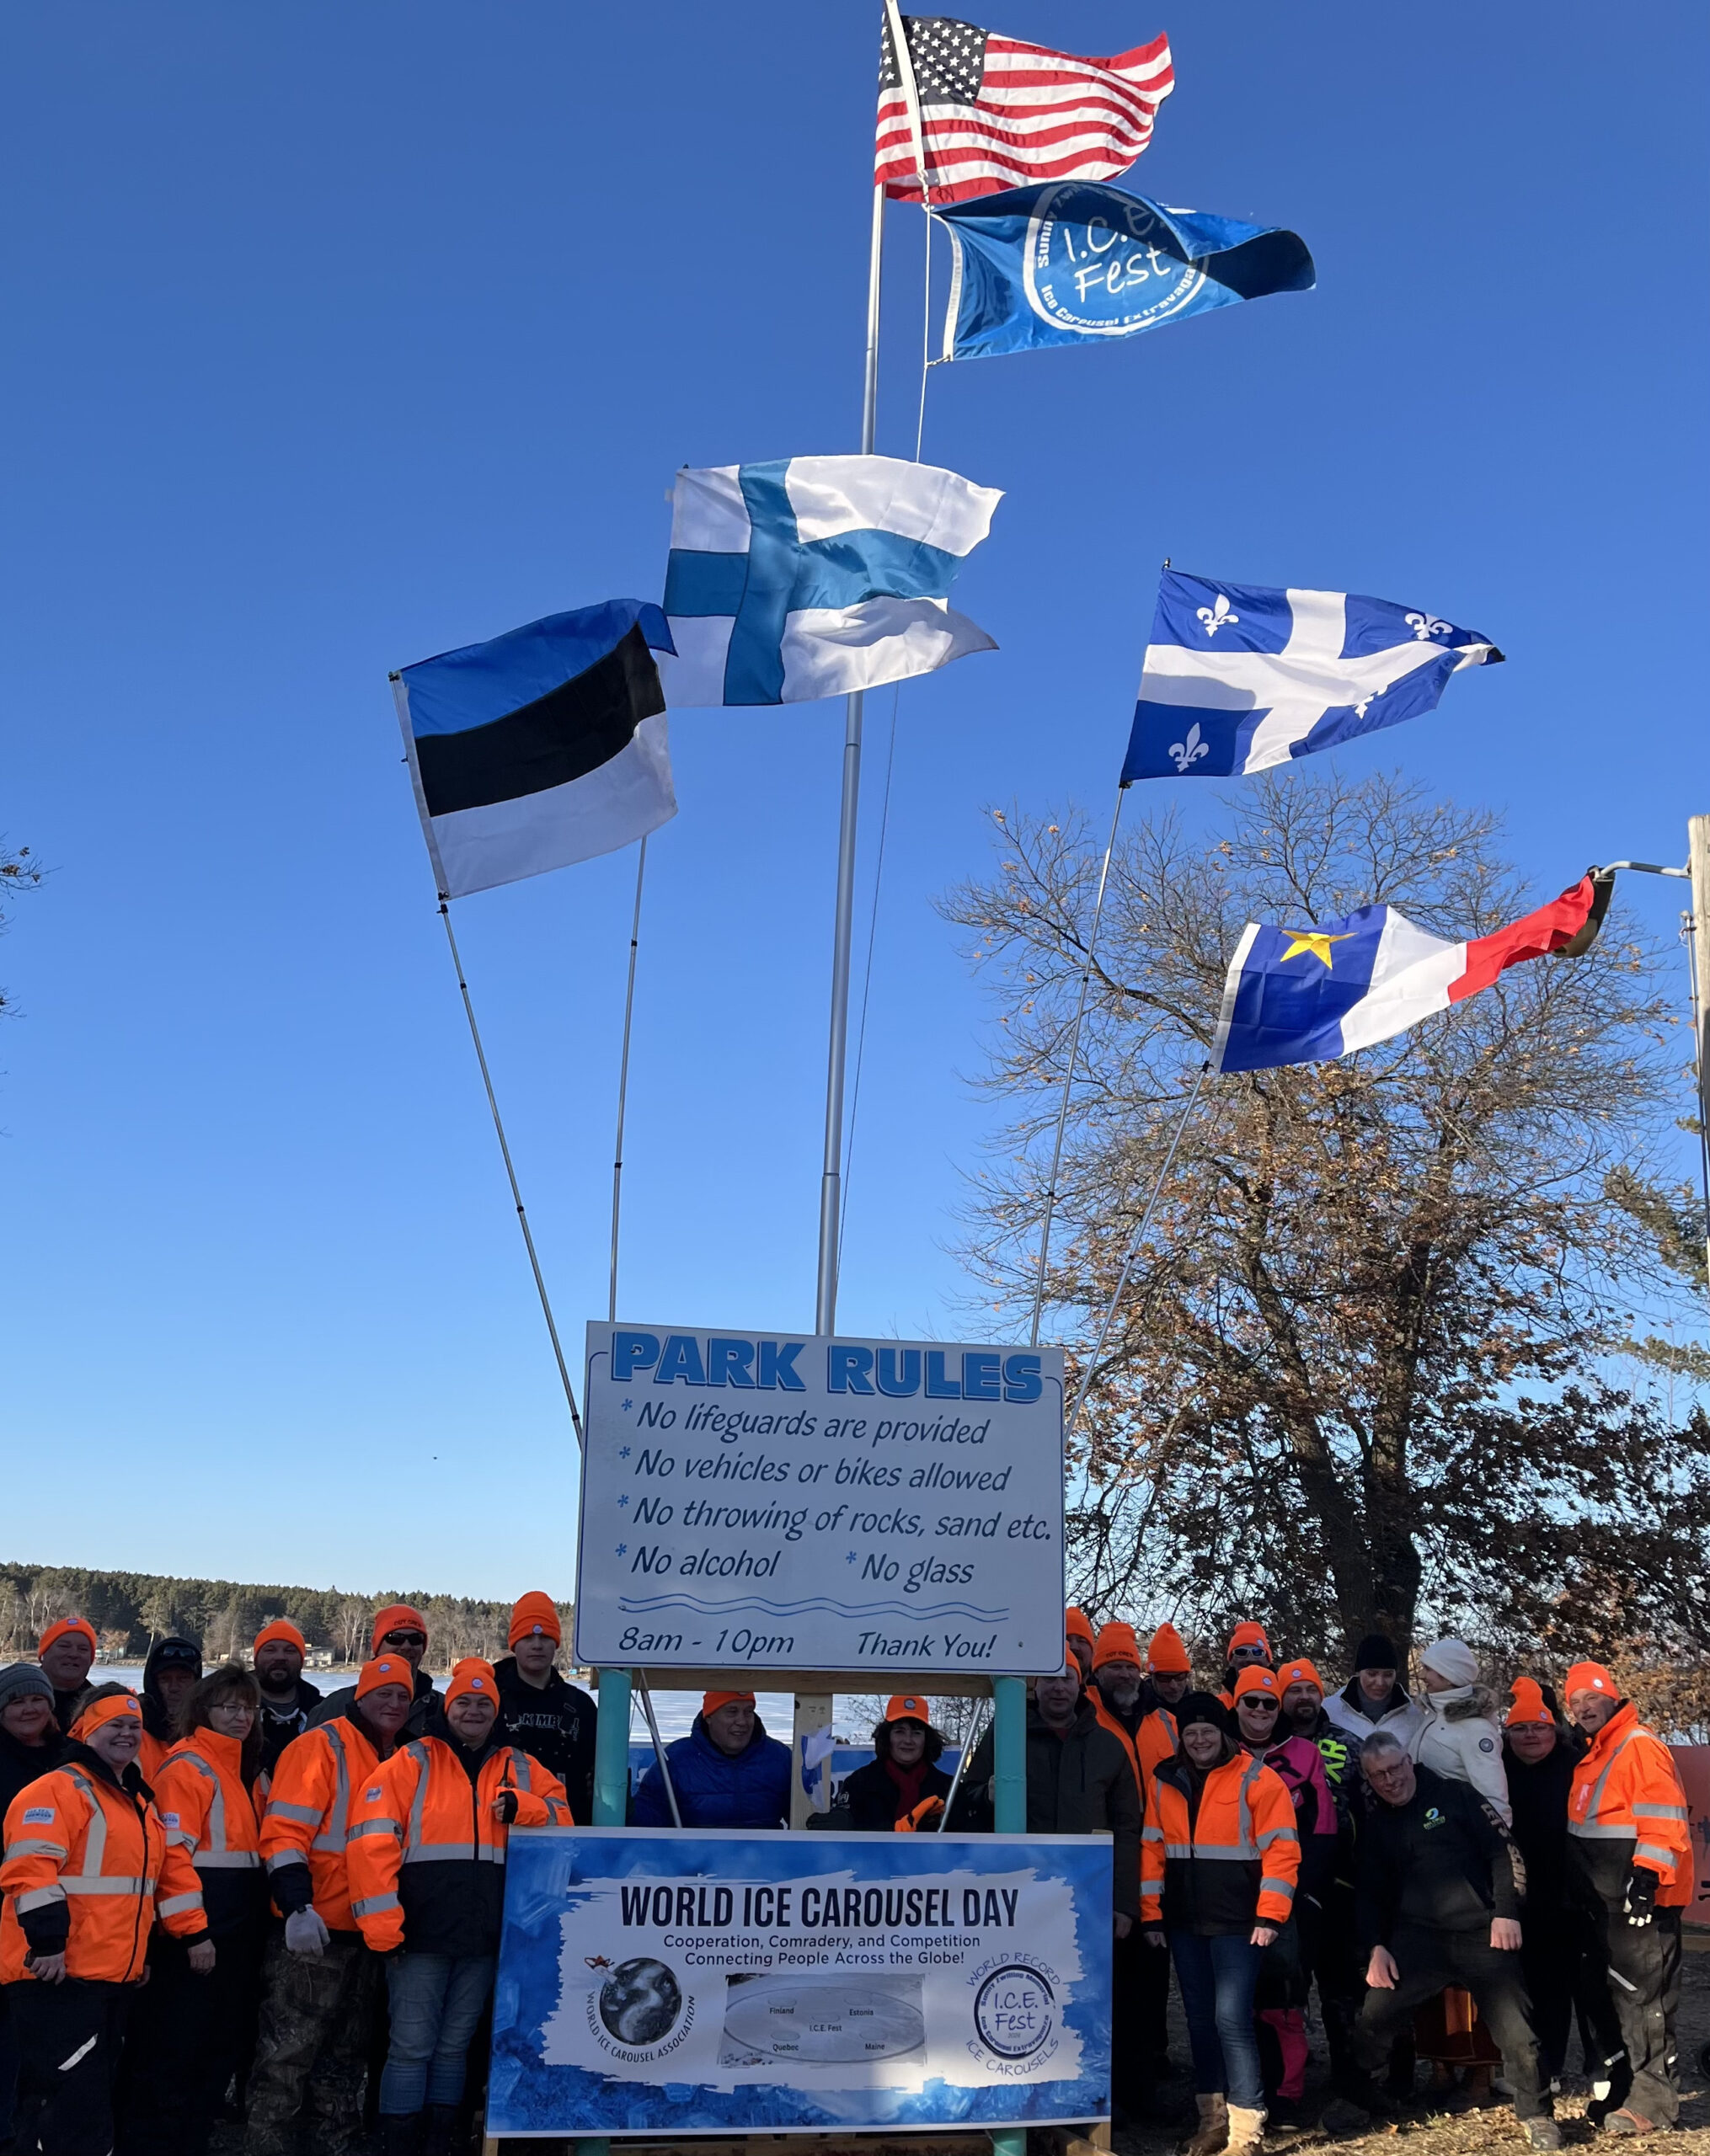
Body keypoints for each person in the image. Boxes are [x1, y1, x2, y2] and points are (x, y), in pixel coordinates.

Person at [347, 1658, 569, 2154]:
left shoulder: (521, 1766)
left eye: (483, 1703)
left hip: (486, 1937)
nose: (473, 1711)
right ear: (448, 1709)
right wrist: (382, 1927)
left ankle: (440, 2143)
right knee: (409, 2049)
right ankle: (397, 2143)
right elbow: (370, 1843)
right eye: (463, 1703)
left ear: (497, 1711)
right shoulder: (411, 1762)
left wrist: (524, 1807)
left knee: (454, 2049)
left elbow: (563, 1817)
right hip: (418, 1937)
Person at [1, 1688, 207, 2156]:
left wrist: (148, 1954)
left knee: (83, 2102)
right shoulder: (58, 1790)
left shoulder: (136, 1803)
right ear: (86, 1731)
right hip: (59, 1977)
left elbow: (144, 1890)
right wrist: (49, 1943)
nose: (128, 1734)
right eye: (114, 1725)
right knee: (68, 2107)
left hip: (110, 1978)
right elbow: (30, 1868)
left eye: (134, 1726)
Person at [1343, 1731, 1557, 2149]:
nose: (1389, 1780)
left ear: (1409, 1761)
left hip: (1481, 1931)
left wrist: (1506, 1914)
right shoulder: (1376, 1822)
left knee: (1518, 2030)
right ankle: (1359, 2097)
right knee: (1374, 2015)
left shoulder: (1456, 1795)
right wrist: (1375, 1947)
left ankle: (1537, 2114)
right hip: (1418, 1938)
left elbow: (1504, 1853)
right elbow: (1368, 1892)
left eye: (1394, 1769)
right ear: (1368, 1779)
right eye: (1377, 1775)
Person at [247, 1655, 417, 2156]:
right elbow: (282, 1836)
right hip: (314, 1934)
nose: (392, 1704)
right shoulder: (321, 1747)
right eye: (382, 1694)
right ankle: (265, 2148)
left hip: (368, 1935)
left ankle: (334, 2148)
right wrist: (297, 1907)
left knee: (346, 2063)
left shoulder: (402, 1758)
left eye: (402, 1696)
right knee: (285, 2058)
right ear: (359, 1696)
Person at [116, 1664, 270, 2156]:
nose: (241, 1717)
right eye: (229, 1707)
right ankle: (151, 2143)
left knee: (217, 2045)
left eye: (248, 1708)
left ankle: (190, 2138)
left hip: (235, 1933)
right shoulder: (189, 1768)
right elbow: (170, 1858)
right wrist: (190, 1935)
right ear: (203, 1711)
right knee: (173, 2049)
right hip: (198, 1938)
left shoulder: (244, 1771)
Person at [1141, 1691, 1299, 2156]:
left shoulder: (1258, 1779)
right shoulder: (1164, 1781)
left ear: (1223, 1733)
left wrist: (1270, 1914)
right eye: (1191, 1733)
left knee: (1231, 2020)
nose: (1200, 1740)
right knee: (1200, 2021)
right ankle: (1212, 2120)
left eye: (1208, 1731)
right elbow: (1150, 1852)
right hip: (1186, 1923)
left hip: (1239, 1923)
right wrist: (1151, 1914)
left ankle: (1246, 2130)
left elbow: (1283, 1852)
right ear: (1181, 1738)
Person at [1564, 1659, 1691, 2137]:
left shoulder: (1638, 1746)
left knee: (1645, 1998)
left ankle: (1653, 2104)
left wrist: (1646, 1877)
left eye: (1591, 1698)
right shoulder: (1596, 1753)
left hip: (1642, 1901)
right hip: (1607, 1900)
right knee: (1616, 1996)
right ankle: (1626, 2090)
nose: (1583, 1708)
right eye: (1575, 1702)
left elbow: (1664, 1817)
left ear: (1612, 1697)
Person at [1503, 1678, 1618, 2096]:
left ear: (1555, 1729)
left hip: (1580, 1893)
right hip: (1524, 1897)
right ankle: (1545, 2069)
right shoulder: (1497, 1767)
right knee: (1539, 1986)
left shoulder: (1578, 1763)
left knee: (1589, 1986)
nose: (1531, 1735)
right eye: (1521, 1728)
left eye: (1540, 1727)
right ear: (1508, 1733)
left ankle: (1603, 2066)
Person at [1232, 1667, 1335, 2122]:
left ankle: (1289, 2094)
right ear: (1235, 1705)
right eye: (1250, 1702)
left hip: (1288, 1896)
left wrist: (1307, 1892)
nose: (1259, 1710)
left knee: (1284, 1999)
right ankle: (1241, 2093)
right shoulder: (1218, 1750)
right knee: (1235, 2000)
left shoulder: (1305, 1753)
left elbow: (1323, 1826)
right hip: (1230, 1896)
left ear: (1280, 1709)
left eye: (1269, 1703)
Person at [0, 1667, 63, 2156]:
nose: (28, 1709)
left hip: (48, 1910)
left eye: (35, 1700)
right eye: (15, 1702)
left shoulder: (67, 1762)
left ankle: (30, 2124)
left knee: (34, 2023)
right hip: (4, 1903)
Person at [492, 1593, 597, 1824]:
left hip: (566, 1832)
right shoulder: (489, 1701)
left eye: (545, 1637)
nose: (537, 1645)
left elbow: (598, 1773)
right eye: (528, 1637)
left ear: (556, 1644)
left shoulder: (581, 1706)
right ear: (514, 1643)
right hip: (501, 1834)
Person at [633, 1691, 792, 1830]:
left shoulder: (780, 1757)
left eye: (748, 1712)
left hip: (767, 1860)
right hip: (694, 1860)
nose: (742, 1721)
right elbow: (646, 1822)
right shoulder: (676, 1759)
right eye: (732, 1712)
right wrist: (625, 1812)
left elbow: (802, 1815)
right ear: (709, 1717)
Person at [1408, 1637, 1510, 1823]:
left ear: (1448, 1677)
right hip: (1428, 1828)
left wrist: (1496, 1847)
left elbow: (1494, 1798)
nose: (1422, 1675)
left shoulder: (1475, 1730)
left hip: (1458, 1836)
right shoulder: (1432, 1716)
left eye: (1428, 1669)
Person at [310, 1606, 436, 1741]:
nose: (406, 1646)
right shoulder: (337, 1705)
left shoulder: (443, 1709)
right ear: (378, 1646)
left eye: (416, 1639)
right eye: (395, 1638)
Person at [833, 1697, 954, 1829]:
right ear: (887, 1737)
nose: (908, 1740)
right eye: (899, 1732)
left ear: (927, 1740)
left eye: (916, 1733)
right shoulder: (859, 1782)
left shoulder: (949, 1788)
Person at [1323, 1633, 1424, 1755]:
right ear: (1359, 1672)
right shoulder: (1329, 1711)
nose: (1380, 1683)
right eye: (1372, 1674)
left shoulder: (1414, 1716)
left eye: (1388, 1675)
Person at [253, 1620, 323, 1776]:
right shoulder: (229, 1705)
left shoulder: (320, 1709)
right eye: (270, 1650)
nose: (280, 1657)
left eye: (290, 1651)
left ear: (301, 1660)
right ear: (256, 1659)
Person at [137, 1636, 202, 1782]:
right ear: (153, 1683)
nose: (174, 1688)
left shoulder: (210, 1727)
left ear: (196, 1682)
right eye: (165, 1679)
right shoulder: (133, 1727)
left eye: (183, 1679)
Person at [35, 1620, 98, 1734]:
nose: (73, 1654)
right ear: (44, 1652)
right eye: (64, 1646)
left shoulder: (99, 1702)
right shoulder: (17, 1695)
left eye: (83, 1649)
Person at [1217, 1622, 1274, 1709]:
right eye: (1241, 1652)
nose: (1250, 1659)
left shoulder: (1284, 1702)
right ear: (1231, 1660)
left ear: (1268, 1660)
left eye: (1257, 1652)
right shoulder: (1219, 1706)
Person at [1065, 1608, 1096, 1686]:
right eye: (1066, 1639)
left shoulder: (1105, 1695)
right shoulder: (1032, 1695)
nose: (1074, 1647)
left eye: (1082, 1641)